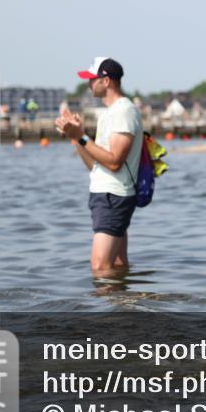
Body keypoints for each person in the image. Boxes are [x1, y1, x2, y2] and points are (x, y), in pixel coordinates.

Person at [55, 57, 143, 276]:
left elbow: (114, 161)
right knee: (118, 267)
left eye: (92, 79)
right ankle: (125, 308)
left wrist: (82, 137)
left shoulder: (124, 111)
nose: (88, 84)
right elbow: (95, 165)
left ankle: (107, 312)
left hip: (114, 196)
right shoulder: (109, 113)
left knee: (100, 268)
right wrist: (75, 137)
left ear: (106, 81)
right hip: (105, 194)